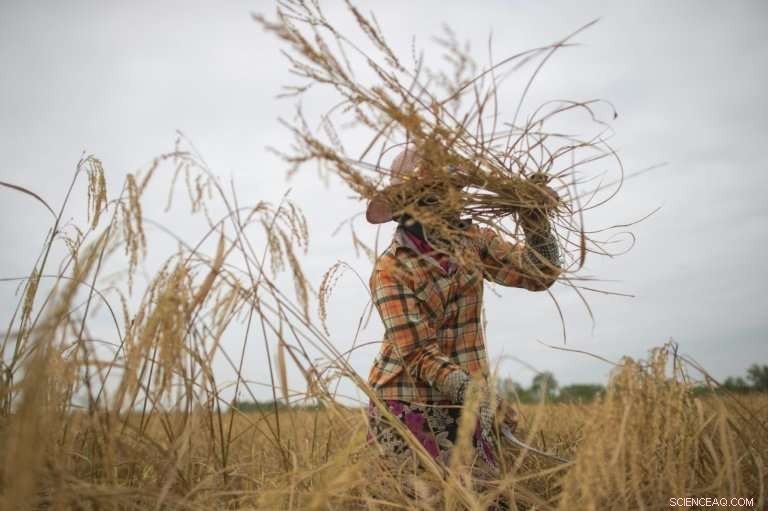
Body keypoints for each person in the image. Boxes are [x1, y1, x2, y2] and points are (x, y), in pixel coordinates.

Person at [365, 145, 562, 479]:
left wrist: (535, 222)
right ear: (410, 205)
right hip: (406, 402)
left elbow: (539, 274)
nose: (453, 201)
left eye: (456, 192)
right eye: (440, 193)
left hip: (466, 397)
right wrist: (476, 394)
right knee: (418, 497)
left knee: (487, 494)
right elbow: (416, 353)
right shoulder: (391, 269)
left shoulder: (474, 242)